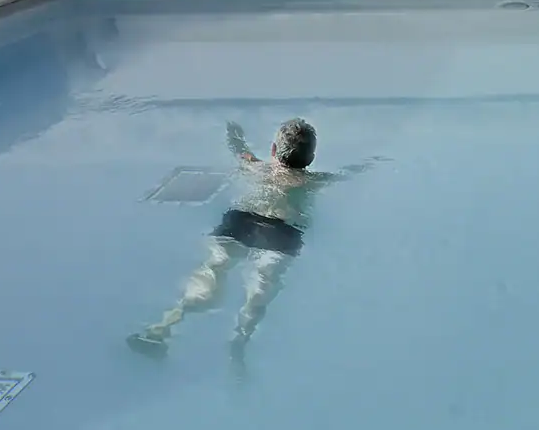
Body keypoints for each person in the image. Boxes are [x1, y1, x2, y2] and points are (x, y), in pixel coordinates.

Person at [128, 119, 380, 363]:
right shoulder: (313, 181)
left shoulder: (257, 167)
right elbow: (346, 175)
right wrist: (371, 163)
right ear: (311, 159)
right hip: (282, 232)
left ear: (273, 150)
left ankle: (163, 327)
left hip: (241, 221)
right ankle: (239, 342)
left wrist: (233, 131)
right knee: (261, 288)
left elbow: (239, 150)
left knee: (212, 272)